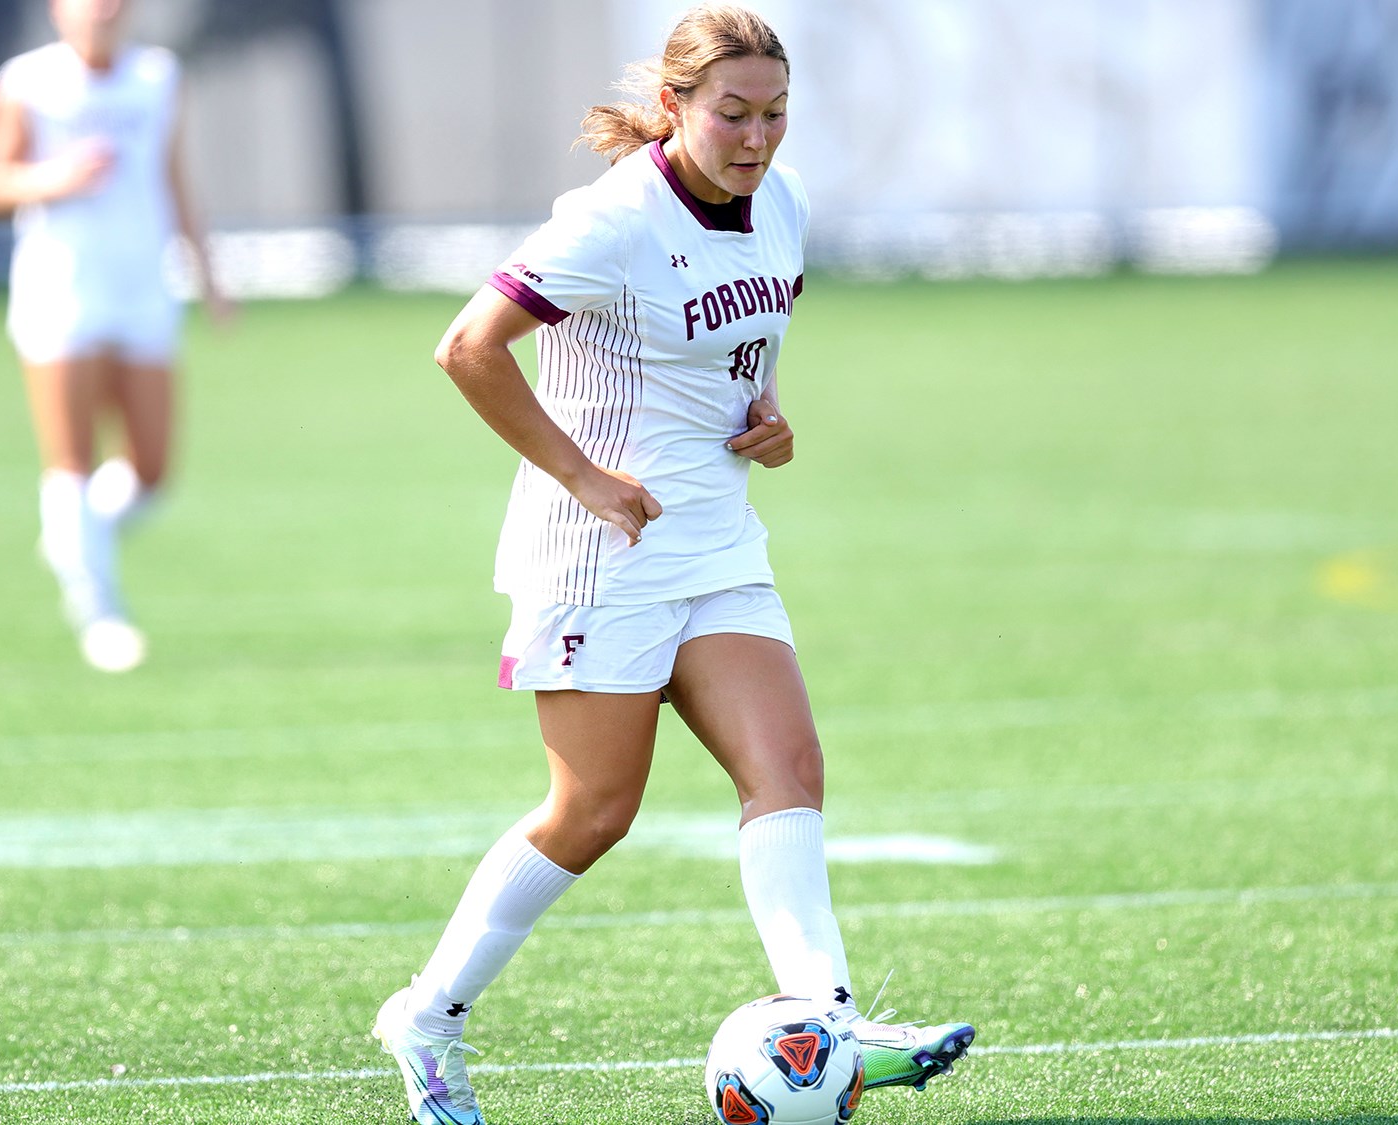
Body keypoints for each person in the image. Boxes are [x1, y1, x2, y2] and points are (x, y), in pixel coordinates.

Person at [370, 6, 974, 1123]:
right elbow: (466, 350)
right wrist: (585, 478)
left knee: (784, 771)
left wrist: (771, 415)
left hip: (716, 541)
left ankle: (828, 1024)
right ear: (673, 109)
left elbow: (743, 352)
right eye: (731, 114)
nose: (755, 138)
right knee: (592, 812)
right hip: (598, 559)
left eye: (774, 114)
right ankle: (427, 1016)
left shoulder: (780, 204)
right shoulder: (608, 222)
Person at [0, 0, 230, 672]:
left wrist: (208, 274)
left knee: (151, 468)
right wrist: (55, 178)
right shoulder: (26, 81)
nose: (104, 10)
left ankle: (76, 539)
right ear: (59, 11)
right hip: (62, 291)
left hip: (143, 289)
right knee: (72, 459)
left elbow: (175, 180)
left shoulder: (158, 77)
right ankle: (100, 609)